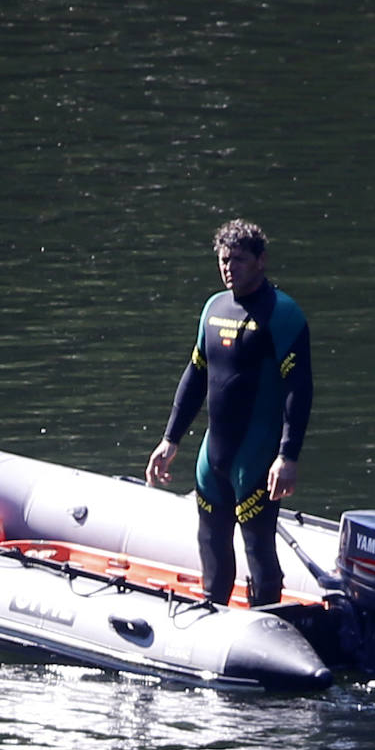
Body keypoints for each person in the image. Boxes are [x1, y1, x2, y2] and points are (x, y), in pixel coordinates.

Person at [145, 219, 314, 607]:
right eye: (224, 259)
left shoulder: (283, 315)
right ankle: (211, 613)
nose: (229, 267)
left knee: (258, 549)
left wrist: (287, 456)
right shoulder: (213, 307)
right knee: (212, 543)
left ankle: (269, 621)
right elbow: (195, 375)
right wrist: (170, 439)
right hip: (213, 455)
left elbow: (299, 391)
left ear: (261, 260)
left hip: (256, 457)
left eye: (238, 259)